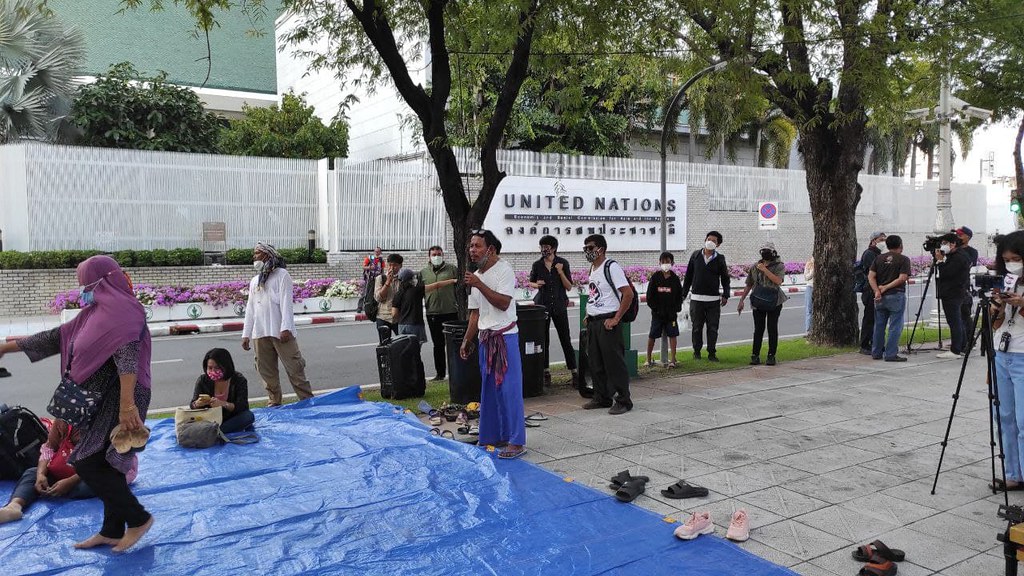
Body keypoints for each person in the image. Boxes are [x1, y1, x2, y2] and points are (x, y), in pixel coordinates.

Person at [0, 255, 153, 552]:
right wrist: (6, 347)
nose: (82, 289)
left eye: (85, 283)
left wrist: (127, 406)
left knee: (86, 460)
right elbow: (56, 336)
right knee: (104, 462)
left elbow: (128, 362)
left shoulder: (124, 312)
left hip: (120, 396)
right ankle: (111, 530)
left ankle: (138, 519)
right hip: (98, 397)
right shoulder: (94, 313)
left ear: (103, 280)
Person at [459, 230, 526, 459]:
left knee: (509, 390)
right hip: (485, 339)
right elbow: (475, 314)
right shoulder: (476, 275)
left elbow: (503, 303)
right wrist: (467, 340)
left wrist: (479, 284)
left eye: (477, 246)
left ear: (491, 249)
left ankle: (516, 441)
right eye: (471, 246)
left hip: (505, 339)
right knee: (489, 391)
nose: (472, 250)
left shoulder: (504, 270)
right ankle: (493, 435)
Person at [0, 419, 132, 525]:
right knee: (32, 473)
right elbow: (48, 448)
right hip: (68, 470)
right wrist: (41, 474)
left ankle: (57, 490)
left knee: (92, 483)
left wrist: (69, 482)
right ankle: (14, 506)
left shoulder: (104, 422)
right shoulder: (62, 421)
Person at [241, 242, 314, 407]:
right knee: (266, 372)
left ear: (267, 255)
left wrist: (286, 327)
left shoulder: (282, 275)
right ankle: (274, 402)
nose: (254, 257)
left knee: (295, 369)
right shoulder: (255, 281)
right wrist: (246, 334)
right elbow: (250, 309)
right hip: (260, 333)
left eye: (257, 253)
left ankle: (307, 402)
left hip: (281, 332)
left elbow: (286, 303)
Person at [583, 234, 635, 414]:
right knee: (596, 363)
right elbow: (595, 294)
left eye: (590, 248)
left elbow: (628, 294)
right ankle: (601, 397)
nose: (587, 251)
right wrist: (587, 313)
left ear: (601, 249)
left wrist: (616, 318)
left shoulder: (611, 267)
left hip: (608, 321)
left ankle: (623, 400)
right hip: (594, 322)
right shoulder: (593, 268)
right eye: (585, 248)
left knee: (614, 363)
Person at [990, 231, 1024, 490]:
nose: (1011, 263)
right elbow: (996, 326)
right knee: (1004, 417)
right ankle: (1013, 473)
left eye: (1016, 258)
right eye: (1006, 259)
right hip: (1003, 354)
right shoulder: (1007, 281)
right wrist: (997, 308)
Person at [528, 235, 577, 383]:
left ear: (553, 248)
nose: (544, 249)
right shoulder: (537, 265)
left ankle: (574, 371)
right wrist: (537, 284)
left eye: (546, 247)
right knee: (544, 340)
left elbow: (569, 286)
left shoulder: (563, 263)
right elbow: (530, 282)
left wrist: (560, 272)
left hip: (560, 305)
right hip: (543, 305)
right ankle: (546, 372)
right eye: (542, 247)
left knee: (565, 339)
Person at [681, 231, 730, 362]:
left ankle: (712, 353)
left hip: (713, 300)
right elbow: (688, 277)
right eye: (709, 239)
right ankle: (696, 352)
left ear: (718, 244)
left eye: (714, 241)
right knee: (697, 328)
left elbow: (725, 278)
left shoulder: (720, 259)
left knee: (713, 328)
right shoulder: (695, 256)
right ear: (705, 240)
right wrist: (683, 294)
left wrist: (726, 294)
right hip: (696, 299)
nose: (710, 242)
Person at [737, 242, 787, 366]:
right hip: (758, 300)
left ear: (773, 253)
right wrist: (741, 300)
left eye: (768, 250)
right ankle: (755, 355)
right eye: (763, 250)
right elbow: (749, 284)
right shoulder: (755, 267)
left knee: (772, 328)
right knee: (758, 329)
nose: (765, 252)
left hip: (774, 302)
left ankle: (771, 355)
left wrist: (765, 270)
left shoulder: (779, 266)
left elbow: (778, 281)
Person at [189, 348, 255, 434]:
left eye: (217, 368)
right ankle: (215, 432)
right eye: (210, 368)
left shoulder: (239, 380)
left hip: (231, 418)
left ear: (226, 366)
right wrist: (197, 403)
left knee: (248, 416)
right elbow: (192, 404)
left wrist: (223, 404)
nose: (213, 371)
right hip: (210, 418)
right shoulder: (202, 380)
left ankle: (216, 432)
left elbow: (242, 407)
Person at [868, 235, 911, 362]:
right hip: (896, 294)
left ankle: (876, 352)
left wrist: (877, 291)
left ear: (887, 246)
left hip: (880, 297)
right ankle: (890, 353)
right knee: (895, 326)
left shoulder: (878, 258)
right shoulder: (903, 259)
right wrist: (886, 287)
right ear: (901, 246)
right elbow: (902, 278)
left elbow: (871, 276)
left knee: (879, 325)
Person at [421, 246, 458, 380]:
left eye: (439, 254)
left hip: (451, 312)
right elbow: (419, 292)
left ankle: (456, 372)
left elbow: (459, 289)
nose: (436, 256)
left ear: (442, 255)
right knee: (438, 345)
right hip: (433, 313)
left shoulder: (452, 269)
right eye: (434, 254)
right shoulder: (423, 273)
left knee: (453, 345)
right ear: (429, 257)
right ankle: (440, 374)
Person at [935, 233, 971, 359]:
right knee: (958, 320)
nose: (942, 246)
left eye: (944, 243)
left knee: (954, 321)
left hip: (953, 293)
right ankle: (962, 346)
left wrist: (940, 261)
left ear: (953, 244)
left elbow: (947, 273)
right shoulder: (956, 255)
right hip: (954, 292)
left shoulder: (958, 257)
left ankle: (955, 350)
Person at [645, 251, 683, 368]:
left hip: (671, 315)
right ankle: (648, 359)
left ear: (672, 263)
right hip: (657, 314)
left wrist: (675, 309)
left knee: (673, 335)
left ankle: (672, 360)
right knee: (652, 335)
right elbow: (649, 296)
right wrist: (656, 309)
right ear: (659, 263)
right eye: (663, 262)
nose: (665, 264)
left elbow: (679, 296)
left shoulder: (675, 279)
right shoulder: (655, 278)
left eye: (668, 262)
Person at [858, 232, 886, 355]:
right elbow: (874, 272)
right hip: (869, 290)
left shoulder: (879, 254)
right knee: (869, 319)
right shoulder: (869, 254)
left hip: (877, 289)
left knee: (878, 319)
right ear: (874, 240)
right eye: (881, 240)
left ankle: (876, 343)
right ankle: (864, 345)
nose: (883, 242)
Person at [392, 268, 428, 343]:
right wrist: (452, 281)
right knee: (415, 350)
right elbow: (436, 285)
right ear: (410, 280)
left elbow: (394, 314)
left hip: (402, 326)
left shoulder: (398, 294)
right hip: (415, 325)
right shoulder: (417, 290)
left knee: (404, 350)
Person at [373, 253, 403, 342]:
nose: (392, 268)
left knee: (403, 344)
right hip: (383, 317)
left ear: (400, 266)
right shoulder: (380, 278)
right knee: (385, 346)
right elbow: (378, 298)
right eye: (390, 265)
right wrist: (388, 282)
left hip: (399, 318)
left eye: (395, 265)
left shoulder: (403, 279)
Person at [957, 226, 979, 341]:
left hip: (964, 286)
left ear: (968, 237)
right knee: (956, 316)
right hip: (953, 287)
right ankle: (959, 340)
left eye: (960, 235)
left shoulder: (972, 252)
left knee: (965, 314)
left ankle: (970, 340)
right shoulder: (953, 250)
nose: (958, 237)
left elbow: (969, 265)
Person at [359, 247, 385, 313]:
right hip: (369, 278)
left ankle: (372, 307)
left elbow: (382, 270)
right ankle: (359, 307)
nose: (377, 253)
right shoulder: (369, 258)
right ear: (374, 252)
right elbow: (363, 267)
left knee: (376, 293)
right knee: (365, 293)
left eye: (378, 251)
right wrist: (370, 267)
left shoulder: (381, 260)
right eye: (376, 251)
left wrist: (382, 277)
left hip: (377, 279)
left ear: (380, 252)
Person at [804, 256, 815, 333]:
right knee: (809, 310)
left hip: (818, 288)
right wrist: (812, 271)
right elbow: (806, 277)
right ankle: (808, 330)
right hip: (810, 287)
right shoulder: (809, 264)